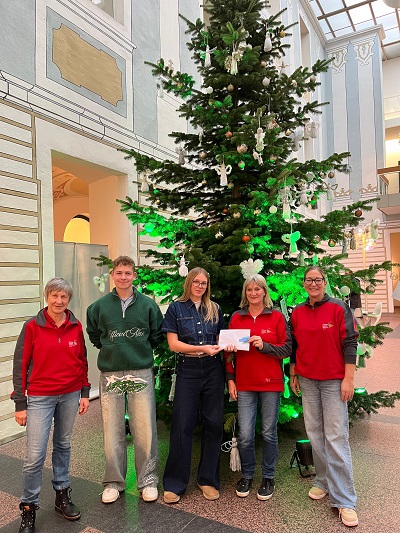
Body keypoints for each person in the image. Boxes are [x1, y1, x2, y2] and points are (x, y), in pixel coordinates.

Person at [11, 278, 90, 533]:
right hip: (40, 397)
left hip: (70, 394)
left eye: (63, 297)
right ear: (47, 297)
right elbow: (20, 365)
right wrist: (20, 403)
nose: (59, 301)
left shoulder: (75, 325)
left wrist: (84, 391)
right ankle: (28, 508)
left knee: (63, 445)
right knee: (34, 456)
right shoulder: (32, 326)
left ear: (69, 299)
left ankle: (61, 495)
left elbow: (82, 360)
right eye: (54, 296)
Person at [86, 256, 163, 504]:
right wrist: (112, 349)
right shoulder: (98, 307)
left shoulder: (148, 305)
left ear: (134, 276)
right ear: (112, 275)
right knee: (112, 429)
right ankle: (113, 482)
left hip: (141, 371)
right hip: (111, 373)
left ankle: (147, 481)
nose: (123, 277)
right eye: (118, 273)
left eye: (127, 273)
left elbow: (156, 335)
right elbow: (95, 335)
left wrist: (138, 351)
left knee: (145, 428)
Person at [290, 266, 359, 528]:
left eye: (318, 279)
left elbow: (350, 343)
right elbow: (295, 345)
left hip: (333, 381)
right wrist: (293, 372)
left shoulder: (339, 308)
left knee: (336, 437)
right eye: (309, 280)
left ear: (325, 282)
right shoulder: (298, 312)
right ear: (304, 283)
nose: (313, 284)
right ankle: (323, 481)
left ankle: (345, 500)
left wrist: (348, 379)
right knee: (315, 434)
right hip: (308, 380)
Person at [225, 274, 292, 501]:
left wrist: (265, 346)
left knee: (269, 432)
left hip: (270, 383)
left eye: (257, 289)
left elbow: (287, 349)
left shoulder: (276, 317)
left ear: (264, 292)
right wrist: (230, 379)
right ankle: (247, 475)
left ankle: (268, 477)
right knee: (245, 434)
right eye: (249, 289)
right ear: (245, 293)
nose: (253, 293)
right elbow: (228, 354)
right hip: (244, 383)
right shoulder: (237, 317)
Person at [162, 267, 225, 504]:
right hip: (187, 369)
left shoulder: (215, 308)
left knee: (214, 424)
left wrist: (227, 344)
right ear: (189, 283)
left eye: (204, 283)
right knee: (182, 424)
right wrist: (201, 348)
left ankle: (207, 479)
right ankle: (175, 483)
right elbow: (173, 344)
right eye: (196, 282)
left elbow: (220, 339)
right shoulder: (176, 308)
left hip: (212, 370)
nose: (200, 286)